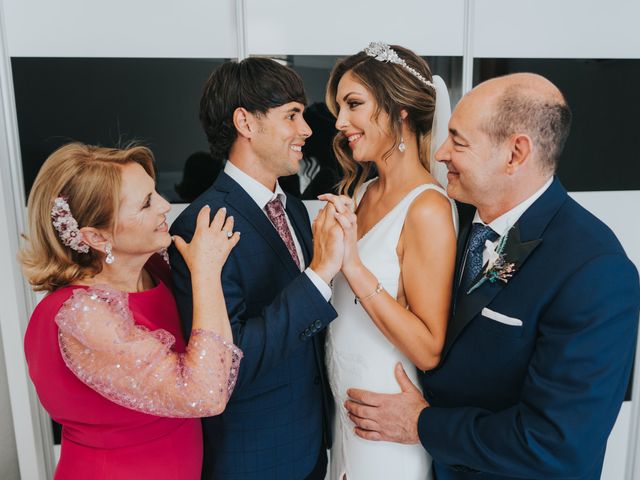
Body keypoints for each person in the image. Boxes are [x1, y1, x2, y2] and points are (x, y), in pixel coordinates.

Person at [343, 73, 640, 480]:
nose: (442, 153)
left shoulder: (595, 272)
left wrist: (423, 425)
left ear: (516, 154)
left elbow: (556, 444)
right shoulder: (458, 217)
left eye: (458, 141)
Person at [20, 143, 242, 479]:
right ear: (96, 236)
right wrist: (206, 272)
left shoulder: (155, 269)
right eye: (146, 203)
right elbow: (205, 394)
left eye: (155, 193)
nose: (165, 206)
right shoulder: (82, 316)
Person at [169, 58, 344, 480]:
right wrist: (319, 275)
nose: (306, 130)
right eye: (292, 115)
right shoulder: (203, 224)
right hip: (254, 458)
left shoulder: (296, 211)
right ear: (245, 122)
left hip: (311, 444)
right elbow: (228, 364)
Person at [319, 42, 458, 479]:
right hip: (346, 409)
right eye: (340, 107)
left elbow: (429, 348)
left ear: (399, 109)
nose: (340, 123)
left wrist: (354, 267)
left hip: (387, 418)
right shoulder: (361, 193)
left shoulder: (428, 208)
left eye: (353, 104)